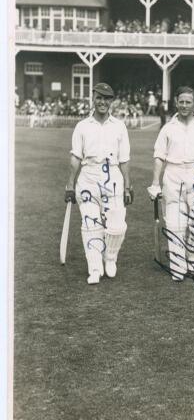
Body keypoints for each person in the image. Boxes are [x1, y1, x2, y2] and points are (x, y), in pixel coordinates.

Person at [147, 86, 194, 281]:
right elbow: (159, 157)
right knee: (174, 223)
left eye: (188, 102)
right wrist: (155, 183)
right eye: (181, 102)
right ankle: (178, 265)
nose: (185, 105)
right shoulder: (168, 128)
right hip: (173, 175)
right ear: (176, 103)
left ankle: (193, 258)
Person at [64, 83, 133, 284]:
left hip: (112, 176)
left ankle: (110, 258)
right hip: (88, 176)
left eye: (107, 98)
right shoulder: (82, 126)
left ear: (112, 101)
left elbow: (125, 159)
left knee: (117, 226)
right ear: (93, 99)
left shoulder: (119, 126)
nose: (102, 102)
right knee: (90, 224)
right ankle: (94, 268)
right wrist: (70, 185)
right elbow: (76, 157)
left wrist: (128, 186)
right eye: (99, 98)